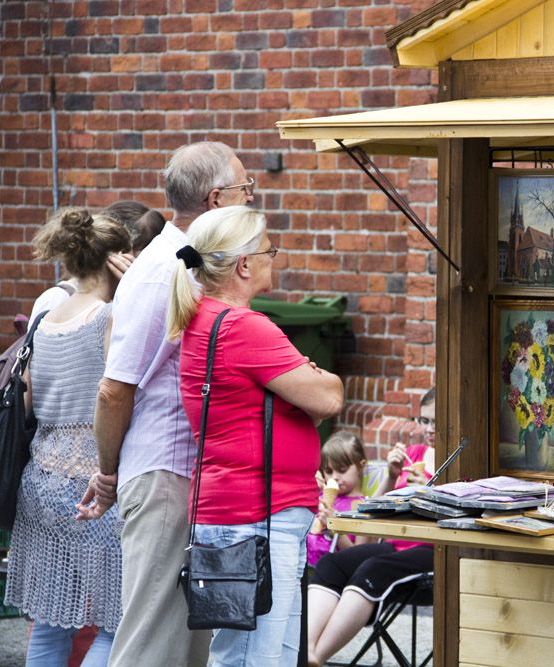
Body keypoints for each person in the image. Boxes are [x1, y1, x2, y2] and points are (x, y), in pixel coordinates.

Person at [77, 142, 254, 667]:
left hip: (181, 471)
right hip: (164, 471)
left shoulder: (188, 263)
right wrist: (107, 473)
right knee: (151, 642)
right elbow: (115, 387)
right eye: (248, 190)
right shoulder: (164, 270)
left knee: (183, 642)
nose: (253, 201)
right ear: (217, 198)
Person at [166, 205, 344, 666]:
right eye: (269, 250)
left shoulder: (205, 318)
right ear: (244, 264)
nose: (274, 258)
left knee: (272, 655)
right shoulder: (246, 328)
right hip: (257, 517)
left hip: (245, 512)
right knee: (253, 659)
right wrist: (309, 380)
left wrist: (301, 386)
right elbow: (328, 399)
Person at [4, 208, 132, 666]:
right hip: (94, 486)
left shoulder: (45, 316)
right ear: (117, 259)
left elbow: (29, 402)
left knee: (51, 620)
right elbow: (111, 395)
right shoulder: (109, 316)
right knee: (119, 624)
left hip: (41, 480)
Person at [307, 388, 437, 667]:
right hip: (393, 543)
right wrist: (391, 477)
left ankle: (317, 658)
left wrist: (428, 491)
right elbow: (376, 509)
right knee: (331, 563)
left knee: (373, 569)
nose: (429, 429)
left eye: (436, 422)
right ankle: (306, 650)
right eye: (424, 421)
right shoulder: (413, 454)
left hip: (435, 550)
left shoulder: (460, 462)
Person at [307, 431, 374, 568]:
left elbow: (357, 556)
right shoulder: (319, 496)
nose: (335, 477)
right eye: (329, 471)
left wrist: (335, 527)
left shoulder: (363, 507)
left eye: (342, 470)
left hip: (334, 572)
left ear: (361, 466)